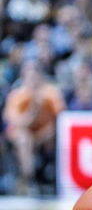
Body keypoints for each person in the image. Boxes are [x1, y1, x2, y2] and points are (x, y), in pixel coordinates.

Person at [3, 61, 65, 195]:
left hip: (46, 136)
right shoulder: (16, 96)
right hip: (23, 136)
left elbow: (62, 119)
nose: (33, 80)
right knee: (24, 138)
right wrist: (34, 109)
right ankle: (29, 179)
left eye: (36, 75)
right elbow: (16, 123)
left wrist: (45, 134)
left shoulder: (51, 93)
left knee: (54, 131)